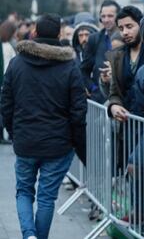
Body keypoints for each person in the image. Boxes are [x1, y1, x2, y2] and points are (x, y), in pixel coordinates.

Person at [0, 13, 87, 239]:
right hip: (58, 143)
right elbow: (78, 110)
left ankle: (29, 235)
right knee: (47, 197)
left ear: (35, 33)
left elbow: (6, 102)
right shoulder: (69, 66)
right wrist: (77, 142)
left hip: (26, 140)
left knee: (24, 192)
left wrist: (12, 130)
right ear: (59, 34)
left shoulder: (17, 63)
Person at [81, 0, 120, 103]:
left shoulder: (127, 38)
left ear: (118, 17)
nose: (106, 20)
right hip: (99, 101)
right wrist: (93, 88)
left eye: (110, 16)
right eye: (103, 16)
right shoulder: (94, 39)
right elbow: (84, 70)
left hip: (122, 100)